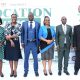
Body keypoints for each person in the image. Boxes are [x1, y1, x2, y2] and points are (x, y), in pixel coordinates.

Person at [21, 12, 40, 77]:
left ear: (33, 16)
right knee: (26, 58)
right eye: (29, 16)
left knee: (35, 58)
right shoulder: (24, 24)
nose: (30, 17)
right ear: (28, 16)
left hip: (35, 43)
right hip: (27, 43)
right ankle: (26, 71)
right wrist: (22, 42)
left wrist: (39, 44)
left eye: (32, 15)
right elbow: (22, 33)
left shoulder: (37, 23)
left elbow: (39, 34)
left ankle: (36, 71)